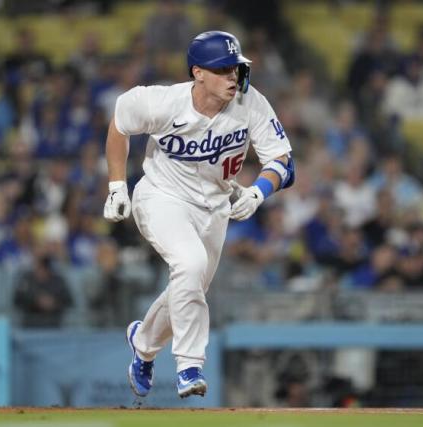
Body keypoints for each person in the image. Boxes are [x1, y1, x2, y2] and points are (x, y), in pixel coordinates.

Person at [102, 30, 294, 398]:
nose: (232, 76)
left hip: (215, 208)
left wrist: (258, 191)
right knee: (189, 265)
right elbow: (119, 125)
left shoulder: (250, 103)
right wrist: (115, 186)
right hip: (162, 196)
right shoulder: (162, 102)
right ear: (197, 73)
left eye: (235, 68)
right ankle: (190, 366)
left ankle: (143, 344)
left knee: (188, 288)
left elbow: (283, 162)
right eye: (222, 69)